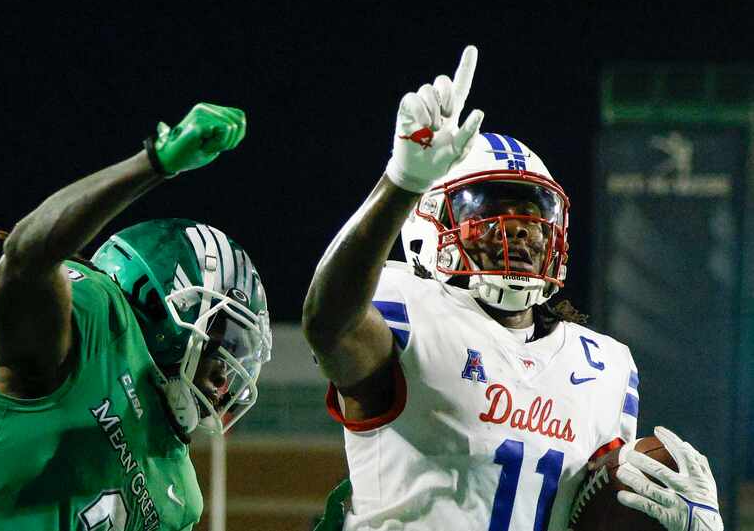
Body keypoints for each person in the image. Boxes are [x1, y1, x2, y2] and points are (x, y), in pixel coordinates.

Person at [302, 46, 722, 531]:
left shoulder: (603, 367)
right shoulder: (410, 310)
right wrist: (402, 181)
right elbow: (329, 323)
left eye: (536, 217)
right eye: (489, 209)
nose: (521, 230)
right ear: (429, 223)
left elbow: (601, 512)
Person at [0, 102, 272, 531]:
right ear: (169, 299)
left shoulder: (180, 495)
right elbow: (25, 256)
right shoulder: (92, 322)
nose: (227, 380)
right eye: (223, 344)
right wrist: (153, 163)